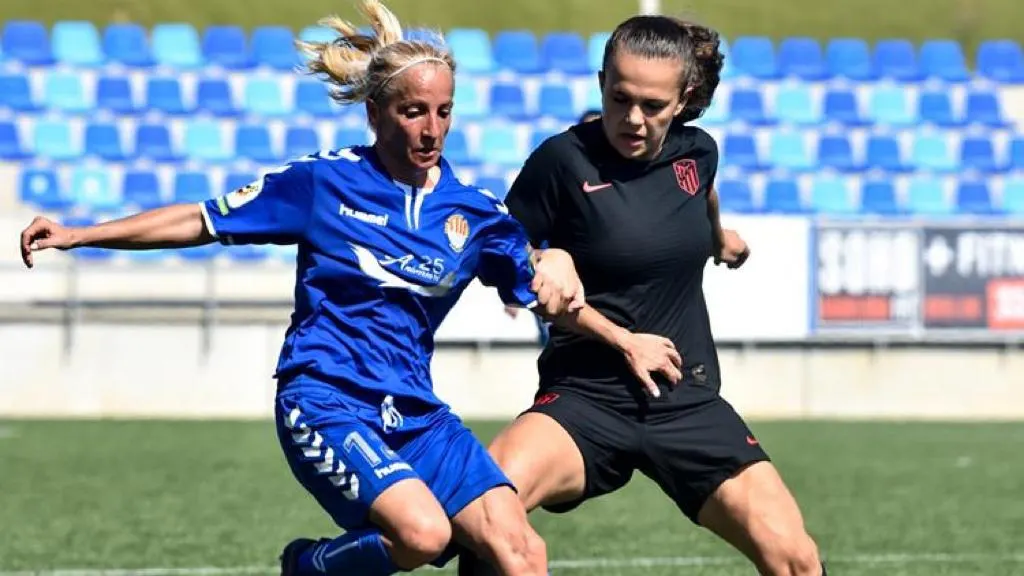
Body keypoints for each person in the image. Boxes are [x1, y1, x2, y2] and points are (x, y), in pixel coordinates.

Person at [18, 2, 586, 575]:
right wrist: (80, 234)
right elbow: (200, 219)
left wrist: (595, 304)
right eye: (414, 111)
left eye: (443, 112)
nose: (431, 129)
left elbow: (539, 289)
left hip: (416, 411)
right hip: (325, 398)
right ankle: (307, 567)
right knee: (424, 535)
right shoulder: (323, 183)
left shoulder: (474, 212)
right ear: (375, 112)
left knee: (523, 550)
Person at [458, 15, 826, 576]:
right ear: (602, 80)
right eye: (619, 97)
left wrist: (717, 238)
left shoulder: (698, 154)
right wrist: (542, 257)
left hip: (687, 397)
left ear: (683, 100)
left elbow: (700, 196)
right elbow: (499, 251)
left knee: (796, 558)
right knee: (485, 509)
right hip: (585, 397)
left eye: (652, 106)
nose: (632, 118)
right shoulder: (560, 162)